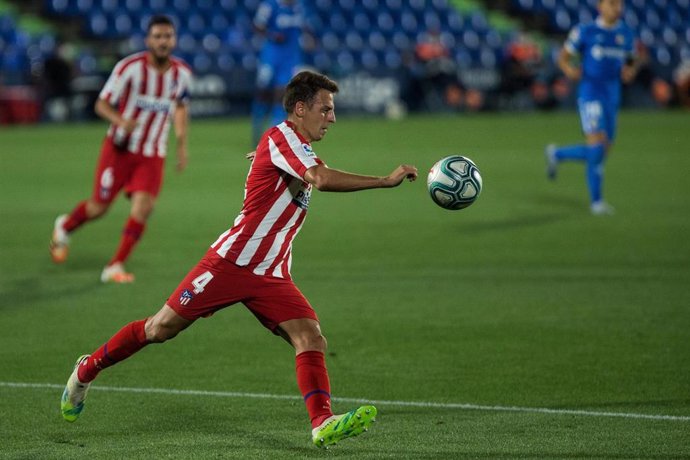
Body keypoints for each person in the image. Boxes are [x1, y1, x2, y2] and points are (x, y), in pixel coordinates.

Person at [60, 71, 419, 448]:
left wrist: (265, 154)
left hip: (271, 272)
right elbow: (322, 179)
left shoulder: (289, 144)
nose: (332, 118)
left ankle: (322, 422)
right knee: (159, 329)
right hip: (230, 263)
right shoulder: (282, 138)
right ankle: (87, 369)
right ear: (300, 109)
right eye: (325, 109)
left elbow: (301, 167)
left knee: (310, 336)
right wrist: (383, 180)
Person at [49, 15, 193, 282]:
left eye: (168, 36)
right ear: (149, 40)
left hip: (153, 153)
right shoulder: (130, 68)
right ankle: (65, 226)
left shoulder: (182, 73)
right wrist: (120, 121)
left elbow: (181, 106)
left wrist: (182, 144)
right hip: (120, 149)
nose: (163, 41)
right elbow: (101, 104)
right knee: (99, 207)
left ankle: (115, 265)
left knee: (143, 208)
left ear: (174, 39)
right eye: (158, 36)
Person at [544, 0, 639, 215]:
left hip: (612, 97)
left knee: (603, 151)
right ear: (600, 7)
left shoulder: (626, 33)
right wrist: (569, 70)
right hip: (590, 95)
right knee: (596, 147)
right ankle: (597, 202)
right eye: (612, 4)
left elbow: (632, 60)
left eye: (619, 4)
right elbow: (563, 57)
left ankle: (557, 154)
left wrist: (630, 71)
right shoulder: (585, 31)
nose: (617, 8)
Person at [251, 0, 309, 146]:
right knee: (263, 94)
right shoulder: (270, 6)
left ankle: (272, 137)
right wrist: (272, 35)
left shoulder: (299, 7)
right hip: (270, 57)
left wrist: (308, 38)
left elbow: (303, 27)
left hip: (290, 58)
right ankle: (256, 131)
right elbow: (257, 26)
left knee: (282, 95)